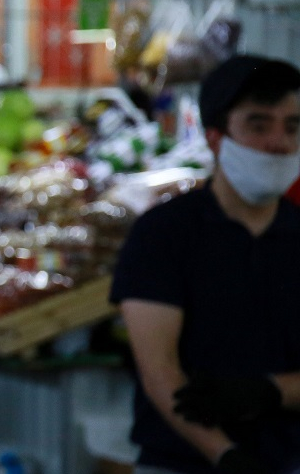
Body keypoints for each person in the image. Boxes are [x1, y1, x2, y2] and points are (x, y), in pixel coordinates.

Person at [110, 55, 300, 474]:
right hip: (180, 461)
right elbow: (160, 372)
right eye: (258, 124)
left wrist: (268, 392)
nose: (279, 142)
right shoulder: (163, 234)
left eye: (292, 126)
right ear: (215, 137)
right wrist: (225, 454)